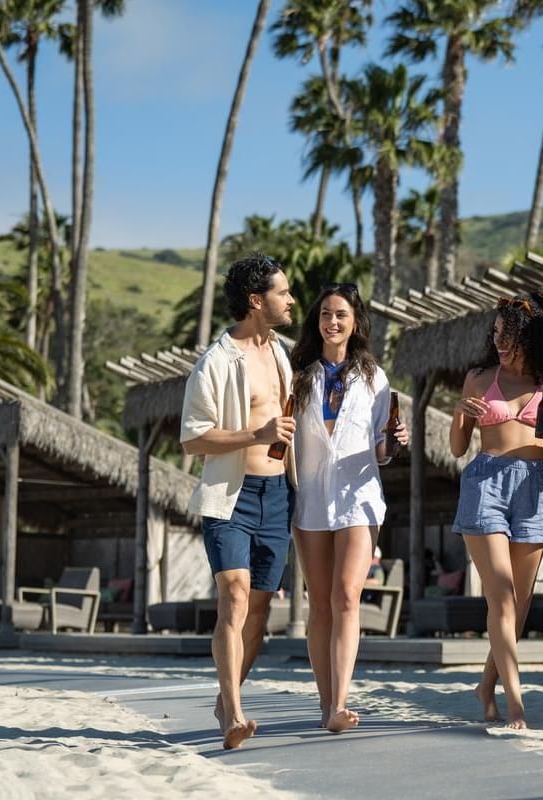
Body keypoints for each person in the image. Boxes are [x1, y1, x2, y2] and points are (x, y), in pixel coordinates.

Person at [180, 253, 297, 750]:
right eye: (283, 293)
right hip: (231, 498)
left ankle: (226, 697)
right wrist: (257, 432)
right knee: (233, 598)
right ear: (256, 301)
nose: (291, 300)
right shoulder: (217, 361)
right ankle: (234, 715)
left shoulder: (283, 354)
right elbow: (193, 438)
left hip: (279, 496)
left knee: (259, 611)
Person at [450, 292, 543, 729]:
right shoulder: (480, 377)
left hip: (535, 487)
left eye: (510, 335)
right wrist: (460, 415)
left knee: (518, 604)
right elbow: (457, 448)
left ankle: (486, 686)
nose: (500, 341)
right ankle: (515, 703)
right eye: (497, 333)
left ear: (530, 336)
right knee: (500, 595)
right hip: (485, 483)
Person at [289, 283, 408, 734]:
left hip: (360, 498)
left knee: (345, 596)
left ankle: (340, 703)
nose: (332, 322)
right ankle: (326, 705)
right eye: (325, 315)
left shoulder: (375, 378)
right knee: (319, 604)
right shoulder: (299, 374)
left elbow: (380, 449)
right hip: (311, 499)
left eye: (340, 314)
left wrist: (392, 444)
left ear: (355, 320)